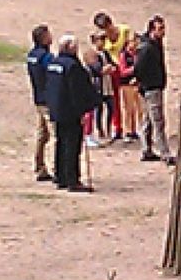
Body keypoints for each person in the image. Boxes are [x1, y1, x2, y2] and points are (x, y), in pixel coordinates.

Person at [45, 34, 101, 193]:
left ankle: (60, 176)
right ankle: (72, 179)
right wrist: (84, 110)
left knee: (61, 142)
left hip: (57, 110)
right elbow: (77, 91)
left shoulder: (53, 63)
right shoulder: (73, 67)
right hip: (70, 112)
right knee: (72, 145)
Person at [135, 16, 174, 165]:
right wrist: (145, 82)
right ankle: (165, 153)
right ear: (152, 30)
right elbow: (139, 68)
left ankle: (146, 149)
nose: (163, 32)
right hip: (151, 87)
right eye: (160, 28)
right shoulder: (147, 48)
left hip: (150, 86)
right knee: (158, 121)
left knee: (148, 120)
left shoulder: (153, 44)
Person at [25, 24, 54, 182]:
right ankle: (58, 168)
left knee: (42, 134)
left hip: (37, 97)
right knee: (55, 135)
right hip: (48, 100)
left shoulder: (32, 56)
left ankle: (39, 165)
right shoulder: (46, 57)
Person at [89, 31, 122, 141]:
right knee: (99, 109)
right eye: (100, 40)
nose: (102, 42)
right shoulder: (92, 54)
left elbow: (113, 65)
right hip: (98, 85)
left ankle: (108, 129)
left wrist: (111, 68)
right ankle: (100, 130)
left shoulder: (105, 53)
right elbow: (97, 69)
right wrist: (106, 69)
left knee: (111, 107)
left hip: (107, 84)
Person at [117, 33, 143, 143]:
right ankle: (128, 130)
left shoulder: (138, 54)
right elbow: (122, 71)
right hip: (126, 84)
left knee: (140, 108)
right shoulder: (124, 55)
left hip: (138, 83)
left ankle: (138, 129)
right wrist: (134, 69)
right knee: (129, 108)